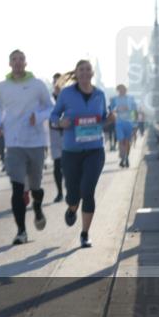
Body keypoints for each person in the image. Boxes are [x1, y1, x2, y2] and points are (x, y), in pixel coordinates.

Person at [0, 50, 53, 246]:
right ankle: (21, 231)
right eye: (14, 59)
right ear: (9, 63)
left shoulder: (37, 84)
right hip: (13, 143)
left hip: (35, 141)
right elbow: (0, 110)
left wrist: (39, 117)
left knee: (35, 187)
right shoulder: (2, 86)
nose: (17, 63)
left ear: (26, 63)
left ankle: (37, 207)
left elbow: (50, 107)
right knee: (17, 188)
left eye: (21, 59)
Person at [50, 61, 113, 248]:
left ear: (92, 73)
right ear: (76, 73)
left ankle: (85, 234)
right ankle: (72, 207)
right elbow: (53, 116)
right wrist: (60, 123)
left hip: (95, 151)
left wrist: (110, 119)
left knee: (88, 191)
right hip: (71, 152)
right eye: (81, 70)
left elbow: (103, 119)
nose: (85, 73)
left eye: (88, 70)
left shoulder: (100, 94)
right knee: (73, 194)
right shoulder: (66, 94)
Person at [109, 84, 138, 168]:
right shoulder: (115, 99)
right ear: (118, 91)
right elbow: (110, 110)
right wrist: (114, 109)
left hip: (129, 123)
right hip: (119, 123)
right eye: (120, 90)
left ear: (126, 90)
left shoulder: (131, 98)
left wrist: (135, 124)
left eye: (123, 89)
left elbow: (134, 111)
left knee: (127, 141)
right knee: (121, 141)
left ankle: (126, 158)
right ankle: (122, 158)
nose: (122, 91)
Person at [48, 73, 66, 203]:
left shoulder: (69, 97)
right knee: (57, 164)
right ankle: (59, 192)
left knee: (67, 164)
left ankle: (69, 187)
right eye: (55, 82)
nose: (57, 84)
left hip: (68, 134)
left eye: (60, 82)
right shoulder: (49, 99)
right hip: (54, 134)